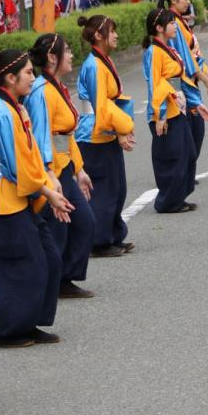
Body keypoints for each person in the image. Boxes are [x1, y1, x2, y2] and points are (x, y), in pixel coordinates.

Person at [0, 49, 72, 347]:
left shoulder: (17, 108)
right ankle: (5, 330)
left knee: (48, 258)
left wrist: (50, 180)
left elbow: (30, 158)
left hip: (19, 196)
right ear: (10, 77)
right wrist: (47, 191)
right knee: (22, 265)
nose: (33, 77)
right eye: (29, 72)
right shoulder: (1, 112)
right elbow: (14, 166)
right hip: (0, 200)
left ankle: (28, 322)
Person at [26, 33, 96, 298]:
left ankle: (61, 277)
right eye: (66, 51)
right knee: (63, 226)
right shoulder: (42, 92)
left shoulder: (57, 86)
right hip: (52, 171)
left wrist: (79, 170)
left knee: (79, 223)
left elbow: (66, 134)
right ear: (52, 58)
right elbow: (41, 136)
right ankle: (49, 279)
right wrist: (49, 174)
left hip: (64, 166)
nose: (70, 55)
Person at [76, 14, 136, 258]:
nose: (116, 35)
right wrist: (118, 130)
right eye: (112, 31)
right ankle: (99, 241)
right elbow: (101, 106)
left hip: (105, 129)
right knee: (103, 189)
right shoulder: (94, 66)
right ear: (98, 36)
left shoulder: (102, 62)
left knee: (117, 187)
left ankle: (112, 234)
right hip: (94, 133)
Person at [143, 9, 198, 213]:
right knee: (172, 157)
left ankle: (179, 196)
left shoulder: (167, 48)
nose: (175, 26)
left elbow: (180, 78)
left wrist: (195, 102)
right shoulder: (154, 52)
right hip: (165, 113)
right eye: (171, 23)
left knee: (187, 154)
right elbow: (155, 85)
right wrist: (160, 114)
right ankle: (168, 201)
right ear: (159, 28)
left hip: (178, 108)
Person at [163, 0, 208, 166]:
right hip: (182, 82)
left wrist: (207, 75)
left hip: (190, 79)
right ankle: (182, 170)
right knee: (191, 129)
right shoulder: (173, 22)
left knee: (194, 129)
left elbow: (194, 54)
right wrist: (206, 79)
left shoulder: (179, 20)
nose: (188, 2)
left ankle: (185, 170)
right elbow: (186, 56)